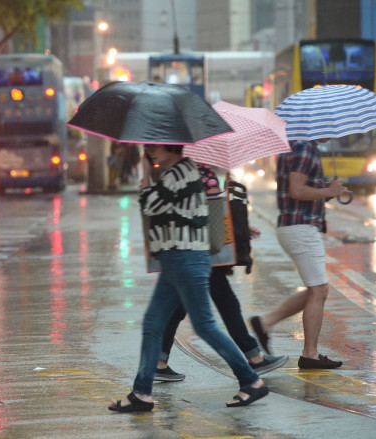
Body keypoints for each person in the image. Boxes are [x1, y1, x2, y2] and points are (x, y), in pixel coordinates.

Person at [108, 144, 268, 412]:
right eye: (148, 149)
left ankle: (251, 380)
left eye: (154, 147)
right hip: (175, 259)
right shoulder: (176, 171)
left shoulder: (181, 172)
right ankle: (142, 393)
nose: (150, 152)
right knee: (152, 324)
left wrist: (146, 177)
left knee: (204, 326)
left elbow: (151, 204)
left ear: (171, 145)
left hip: (187, 259)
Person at [155, 165, 287, 382]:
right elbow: (205, 210)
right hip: (201, 249)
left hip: (191, 247)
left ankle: (158, 362)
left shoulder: (186, 169)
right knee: (225, 302)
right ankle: (254, 358)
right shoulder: (196, 171)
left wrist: (238, 226)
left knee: (180, 306)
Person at [249, 139, 347, 370]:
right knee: (319, 290)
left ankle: (264, 323)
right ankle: (309, 354)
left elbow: (301, 187)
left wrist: (329, 191)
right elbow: (297, 189)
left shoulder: (295, 146)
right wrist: (328, 190)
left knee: (316, 290)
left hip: (296, 226)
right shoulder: (305, 147)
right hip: (300, 227)